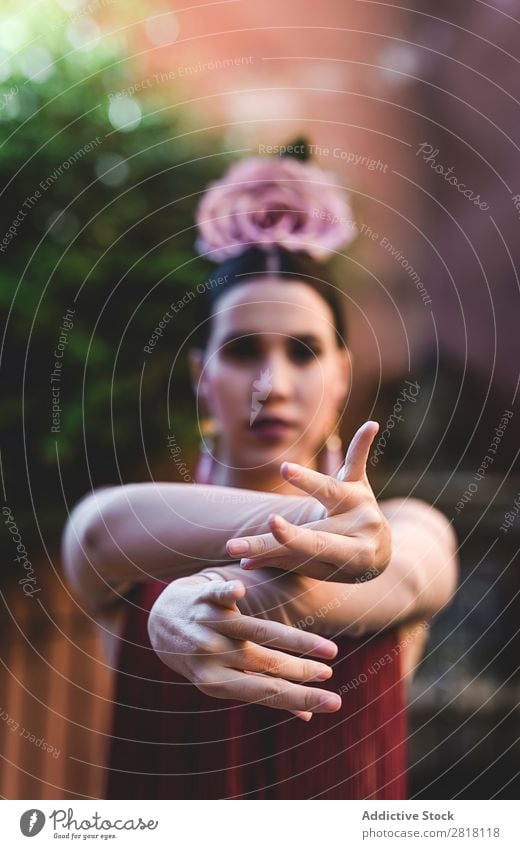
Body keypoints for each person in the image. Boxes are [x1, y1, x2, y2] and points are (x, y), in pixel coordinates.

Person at [62, 150, 459, 799]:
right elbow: (97, 529)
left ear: (340, 375)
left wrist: (202, 599)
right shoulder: (132, 539)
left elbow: (408, 567)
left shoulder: (412, 532)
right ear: (202, 377)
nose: (271, 385)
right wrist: (316, 525)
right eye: (243, 350)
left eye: (302, 352)